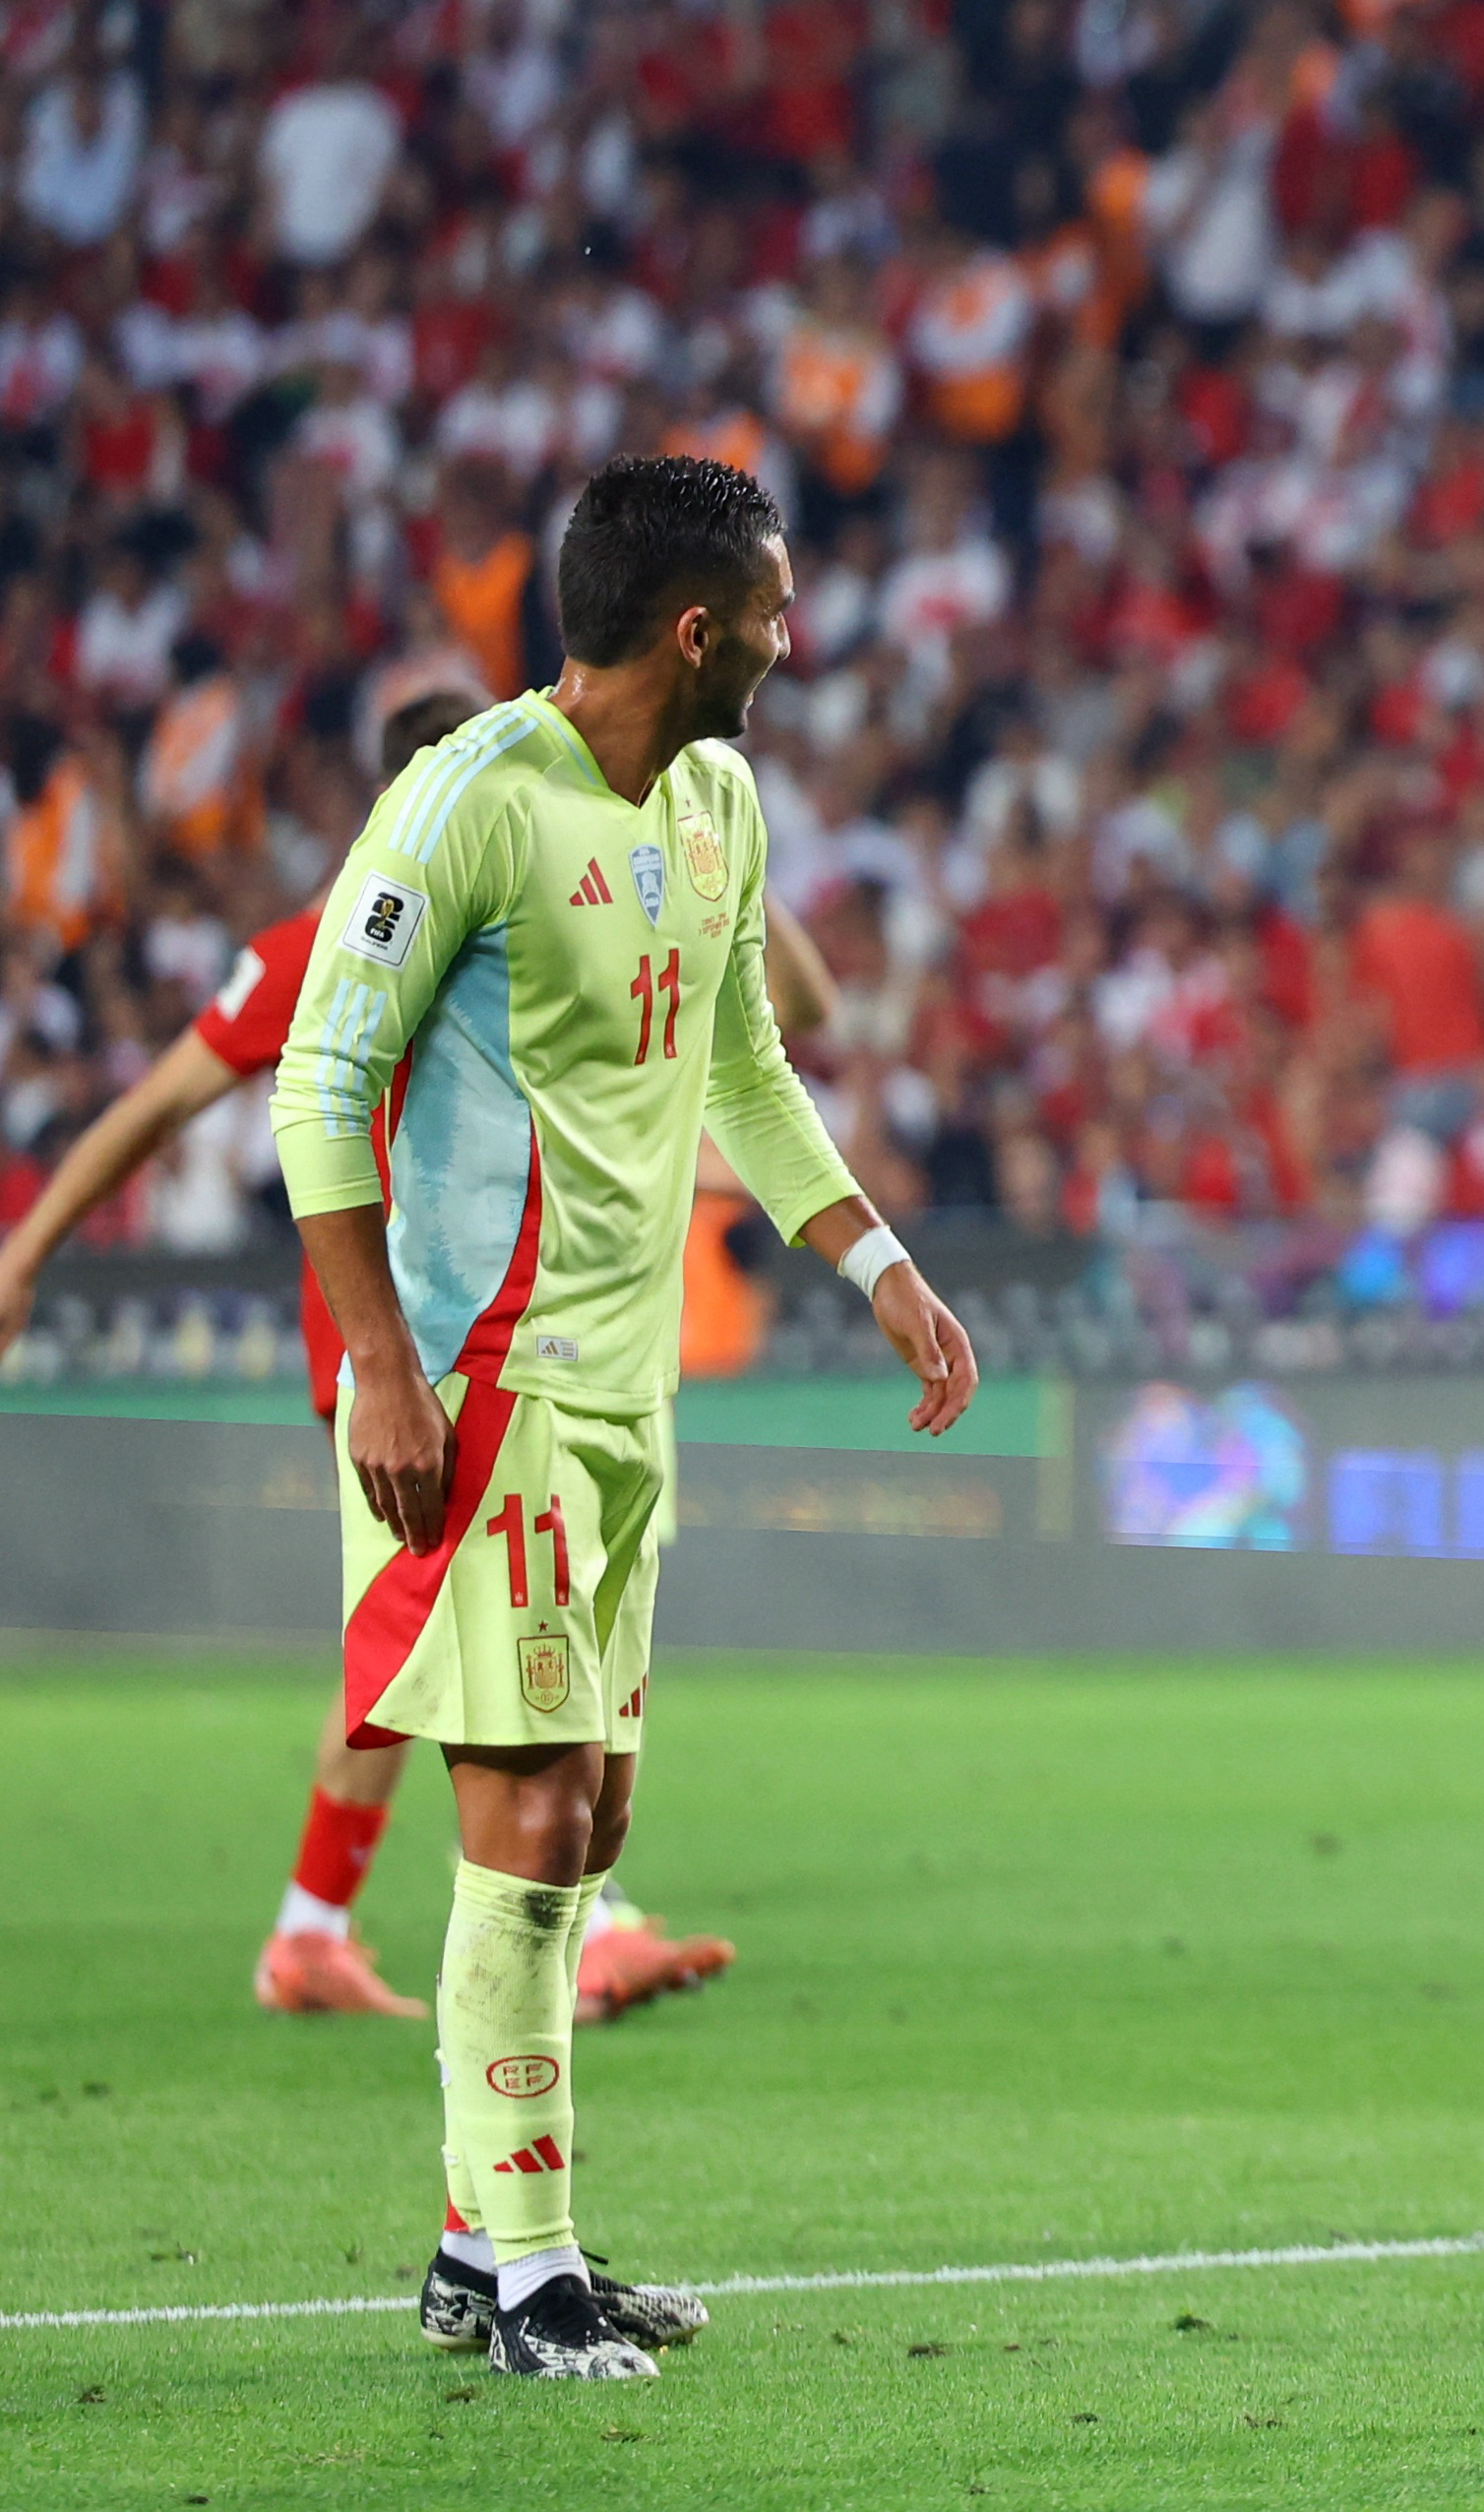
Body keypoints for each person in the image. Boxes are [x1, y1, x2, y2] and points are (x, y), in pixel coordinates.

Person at [269, 456, 979, 2378]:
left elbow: (740, 1063)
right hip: (480, 1385)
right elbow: (316, 1090)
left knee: (593, 1817)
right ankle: (528, 2271)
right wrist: (385, 1370)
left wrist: (876, 1261)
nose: (790, 633)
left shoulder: (717, 797)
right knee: (523, 1812)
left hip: (625, 1391)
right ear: (695, 625)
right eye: (771, 605)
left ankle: (466, 2237)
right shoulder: (472, 799)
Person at [0, 691, 821, 2025]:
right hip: (407, 1353)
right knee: (483, 1642)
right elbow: (156, 1107)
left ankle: (316, 1928)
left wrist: (696, 807)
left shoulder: (545, 904)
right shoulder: (339, 943)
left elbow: (799, 1009)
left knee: (412, 1651)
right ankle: (553, 1930)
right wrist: (26, 1248)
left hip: (509, 1343)